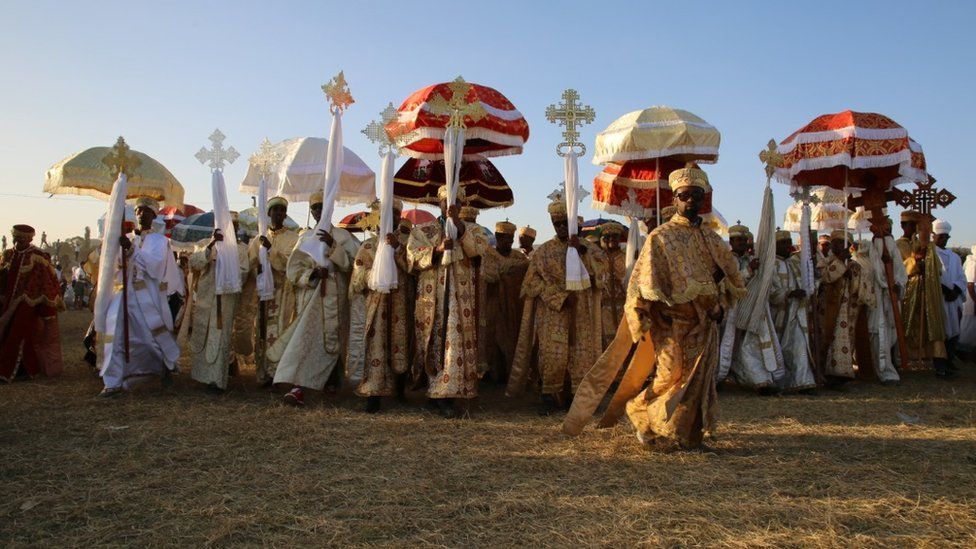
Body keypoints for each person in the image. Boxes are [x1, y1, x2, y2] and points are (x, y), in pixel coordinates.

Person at [563, 164, 746, 450]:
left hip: (706, 322)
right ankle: (640, 411)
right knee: (668, 378)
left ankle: (687, 436)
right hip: (673, 322)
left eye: (696, 195)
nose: (690, 201)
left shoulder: (712, 238)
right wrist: (649, 314)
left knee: (698, 382)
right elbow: (643, 282)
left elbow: (731, 277)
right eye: (685, 195)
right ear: (674, 198)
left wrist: (720, 304)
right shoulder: (661, 237)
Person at [507, 194, 606, 415]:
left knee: (582, 355)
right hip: (553, 313)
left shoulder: (591, 249)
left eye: (565, 223)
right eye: (557, 223)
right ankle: (550, 397)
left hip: (582, 311)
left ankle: (579, 398)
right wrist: (559, 298)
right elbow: (530, 285)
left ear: (575, 224)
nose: (561, 227)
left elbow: (602, 276)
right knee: (553, 354)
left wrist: (582, 252)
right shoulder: (543, 251)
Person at [407, 186, 491, 418]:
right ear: (439, 203)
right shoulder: (423, 229)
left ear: (462, 205)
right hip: (431, 296)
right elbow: (411, 257)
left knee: (454, 342)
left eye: (456, 203)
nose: (451, 206)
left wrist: (459, 227)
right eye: (446, 202)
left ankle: (449, 392)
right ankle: (433, 390)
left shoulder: (473, 229)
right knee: (433, 338)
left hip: (460, 299)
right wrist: (436, 249)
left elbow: (481, 250)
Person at [271, 192, 357, 406]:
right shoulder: (304, 237)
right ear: (311, 211)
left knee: (332, 340)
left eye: (322, 206)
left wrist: (333, 248)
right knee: (305, 341)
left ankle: (332, 381)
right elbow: (293, 271)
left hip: (334, 298)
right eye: (316, 207)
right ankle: (298, 387)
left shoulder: (343, 236)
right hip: (310, 298)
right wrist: (313, 274)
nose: (319, 210)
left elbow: (352, 265)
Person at [99, 198, 185, 396]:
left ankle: (158, 370)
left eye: (146, 211)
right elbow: (116, 265)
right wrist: (120, 249)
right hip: (124, 293)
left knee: (149, 338)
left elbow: (154, 267)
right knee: (117, 334)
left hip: (149, 295)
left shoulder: (160, 241)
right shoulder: (126, 237)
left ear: (154, 216)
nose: (141, 214)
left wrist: (131, 249)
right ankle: (113, 380)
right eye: (138, 211)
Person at [349, 200, 410, 412]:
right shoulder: (367, 246)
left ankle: (400, 389)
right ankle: (373, 393)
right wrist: (373, 276)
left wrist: (398, 249)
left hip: (402, 301)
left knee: (400, 342)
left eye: (395, 214)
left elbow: (414, 267)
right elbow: (357, 278)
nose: (391, 218)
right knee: (377, 345)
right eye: (386, 213)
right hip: (377, 303)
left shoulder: (407, 241)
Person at [718, 223, 785, 394]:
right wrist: (749, 271)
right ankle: (718, 378)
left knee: (750, 345)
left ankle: (760, 380)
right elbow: (727, 283)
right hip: (732, 309)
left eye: (744, 240)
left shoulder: (751, 259)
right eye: (738, 240)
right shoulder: (726, 260)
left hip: (753, 308)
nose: (742, 243)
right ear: (731, 241)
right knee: (727, 345)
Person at [188, 212, 250, 394]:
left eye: (233, 226)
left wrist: (227, 265)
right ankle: (201, 375)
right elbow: (194, 263)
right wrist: (211, 246)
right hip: (206, 297)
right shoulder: (205, 244)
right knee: (204, 335)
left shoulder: (241, 249)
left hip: (226, 299)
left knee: (220, 337)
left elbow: (244, 273)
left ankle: (216, 379)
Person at [0, 225, 64, 382]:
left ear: (30, 239)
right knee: (6, 332)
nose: (18, 241)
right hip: (6, 302)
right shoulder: (8, 254)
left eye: (22, 238)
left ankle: (10, 371)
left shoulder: (38, 256)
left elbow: (47, 282)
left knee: (18, 334)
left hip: (27, 302)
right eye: (16, 237)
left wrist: (41, 303)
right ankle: (25, 369)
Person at [248, 196, 299, 386]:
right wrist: (257, 269)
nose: (278, 213)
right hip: (263, 295)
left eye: (281, 210)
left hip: (282, 294)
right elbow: (250, 264)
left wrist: (271, 252)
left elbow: (290, 265)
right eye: (274, 210)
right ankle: (262, 373)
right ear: (268, 213)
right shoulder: (258, 239)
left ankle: (277, 374)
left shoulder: (293, 238)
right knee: (260, 331)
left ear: (285, 214)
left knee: (278, 332)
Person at [816, 231, 874, 387]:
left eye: (843, 243)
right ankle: (824, 374)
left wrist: (851, 276)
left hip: (848, 310)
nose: (838, 245)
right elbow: (826, 277)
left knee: (845, 340)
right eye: (836, 242)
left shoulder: (855, 266)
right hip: (828, 309)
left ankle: (842, 375)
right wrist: (840, 264)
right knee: (826, 337)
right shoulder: (824, 262)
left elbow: (861, 289)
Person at [479, 220, 529, 384]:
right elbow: (489, 275)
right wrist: (508, 270)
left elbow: (525, 271)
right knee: (493, 337)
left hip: (513, 305)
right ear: (498, 237)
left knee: (511, 336)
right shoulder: (488, 254)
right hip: (493, 303)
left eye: (511, 238)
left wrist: (510, 270)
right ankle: (493, 373)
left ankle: (510, 373)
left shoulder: (518, 255)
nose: (509, 241)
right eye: (506, 238)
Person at [858, 220, 906, 384]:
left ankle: (890, 367)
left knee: (891, 335)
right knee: (879, 336)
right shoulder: (865, 258)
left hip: (890, 301)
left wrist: (898, 286)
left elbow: (900, 274)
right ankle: (885, 373)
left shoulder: (895, 252)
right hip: (876, 302)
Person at [769, 231, 817, 391]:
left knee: (799, 345)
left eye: (788, 242)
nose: (787, 246)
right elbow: (769, 292)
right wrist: (788, 293)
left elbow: (808, 283)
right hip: (778, 315)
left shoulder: (795, 263)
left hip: (796, 313)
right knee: (778, 350)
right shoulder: (770, 265)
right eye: (783, 243)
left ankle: (802, 382)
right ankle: (781, 382)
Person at [932, 219, 965, 377]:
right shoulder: (930, 254)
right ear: (933, 236)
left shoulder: (955, 257)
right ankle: (940, 364)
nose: (944, 239)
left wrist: (956, 291)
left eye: (946, 237)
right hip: (938, 299)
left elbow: (962, 277)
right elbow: (931, 278)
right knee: (941, 332)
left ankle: (950, 361)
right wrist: (945, 291)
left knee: (953, 331)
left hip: (953, 300)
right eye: (941, 236)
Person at [599, 223, 627, 348]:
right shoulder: (598, 259)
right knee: (608, 340)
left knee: (624, 338)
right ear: (603, 239)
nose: (611, 239)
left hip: (624, 305)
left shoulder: (626, 257)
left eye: (614, 236)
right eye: (607, 236)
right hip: (605, 307)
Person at [958, 245, 976, 357]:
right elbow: (970, 285)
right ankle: (963, 352)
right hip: (972, 299)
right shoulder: (972, 264)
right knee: (968, 327)